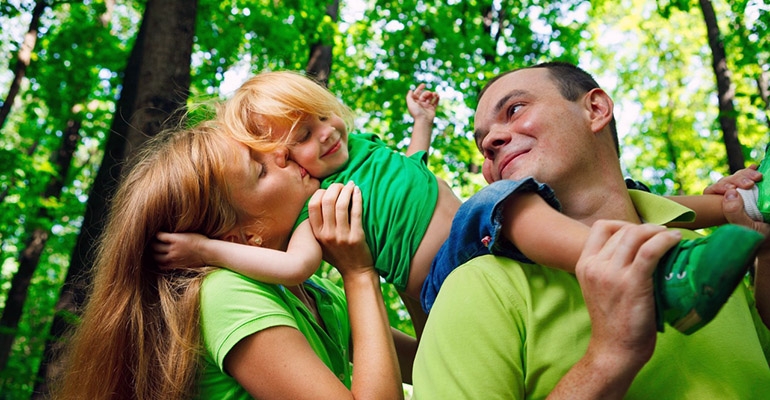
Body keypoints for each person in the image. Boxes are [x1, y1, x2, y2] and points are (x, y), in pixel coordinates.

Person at [157, 70, 764, 339]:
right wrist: (208, 248)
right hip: (443, 277)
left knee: (592, 202)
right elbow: (294, 266)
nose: (324, 136)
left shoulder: (365, 151)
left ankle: (741, 201)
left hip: (480, 245)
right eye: (302, 141)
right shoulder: (322, 205)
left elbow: (413, 163)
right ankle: (657, 276)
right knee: (503, 201)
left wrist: (421, 120)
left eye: (320, 119)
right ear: (290, 164)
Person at [412, 61, 770, 399]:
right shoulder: (480, 286)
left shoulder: (702, 259)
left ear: (596, 109)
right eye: (482, 144)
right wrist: (607, 359)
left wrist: (763, 245)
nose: (491, 142)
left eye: (515, 109)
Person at [54, 121, 414, 399]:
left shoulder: (312, 291)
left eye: (266, 148)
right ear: (240, 237)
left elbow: (423, 359)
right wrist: (358, 273)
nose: (282, 153)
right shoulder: (226, 295)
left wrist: (404, 251)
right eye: (261, 170)